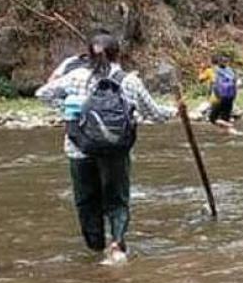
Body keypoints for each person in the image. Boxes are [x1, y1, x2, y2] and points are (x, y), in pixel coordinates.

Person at [36, 33, 177, 264]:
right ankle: (117, 245)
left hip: (79, 149)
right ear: (117, 53)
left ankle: (95, 250)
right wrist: (175, 111)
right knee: (117, 201)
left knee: (86, 201)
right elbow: (155, 114)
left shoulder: (75, 77)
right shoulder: (129, 81)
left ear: (88, 54)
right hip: (116, 151)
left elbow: (42, 93)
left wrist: (67, 109)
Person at [199, 54, 239, 135]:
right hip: (230, 97)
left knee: (212, 118)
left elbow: (200, 79)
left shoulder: (210, 70)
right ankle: (227, 135)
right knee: (224, 118)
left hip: (217, 98)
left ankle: (229, 126)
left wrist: (201, 69)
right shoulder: (230, 71)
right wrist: (234, 95)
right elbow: (235, 83)